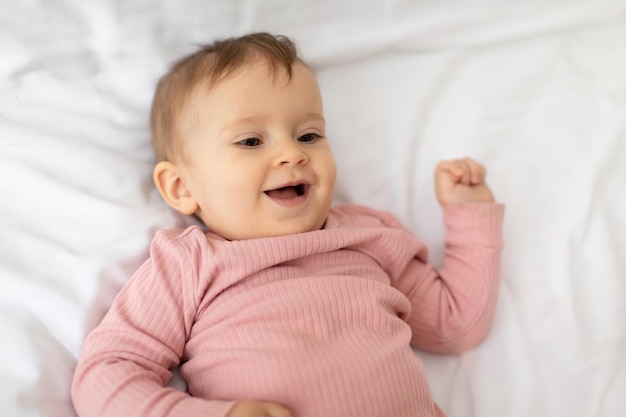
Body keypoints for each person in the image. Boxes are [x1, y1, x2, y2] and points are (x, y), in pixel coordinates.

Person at [71, 32, 505, 417]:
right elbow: (107, 375)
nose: (291, 154)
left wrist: (470, 219)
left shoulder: (368, 236)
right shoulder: (189, 265)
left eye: (308, 136)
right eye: (251, 141)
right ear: (182, 186)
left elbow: (456, 325)